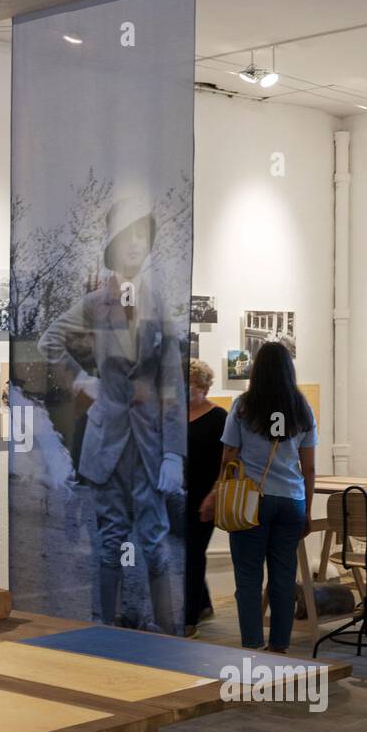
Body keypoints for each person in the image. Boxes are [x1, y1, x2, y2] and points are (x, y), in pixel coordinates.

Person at [38, 197, 186, 634]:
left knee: (156, 544)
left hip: (149, 446)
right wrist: (82, 380)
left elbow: (172, 386)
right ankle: (105, 628)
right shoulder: (94, 303)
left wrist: (175, 454)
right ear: (114, 246)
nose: (137, 244)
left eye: (144, 235)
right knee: (108, 542)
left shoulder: (161, 306)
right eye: (129, 236)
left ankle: (166, 631)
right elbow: (50, 340)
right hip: (107, 443)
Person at [199, 342, 315, 653]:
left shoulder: (243, 406)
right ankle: (279, 646)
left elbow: (228, 457)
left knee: (249, 579)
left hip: (250, 501)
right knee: (283, 577)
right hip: (291, 501)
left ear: (257, 370)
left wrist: (215, 493)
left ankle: (252, 644)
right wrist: (307, 510)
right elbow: (310, 468)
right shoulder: (302, 409)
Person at [183, 359, 226, 637]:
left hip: (204, 496)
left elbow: (226, 462)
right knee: (185, 552)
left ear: (203, 387)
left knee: (193, 553)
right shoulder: (173, 415)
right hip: (177, 494)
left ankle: (188, 619)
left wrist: (214, 495)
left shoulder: (219, 417)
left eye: (189, 385)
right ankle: (203, 603)